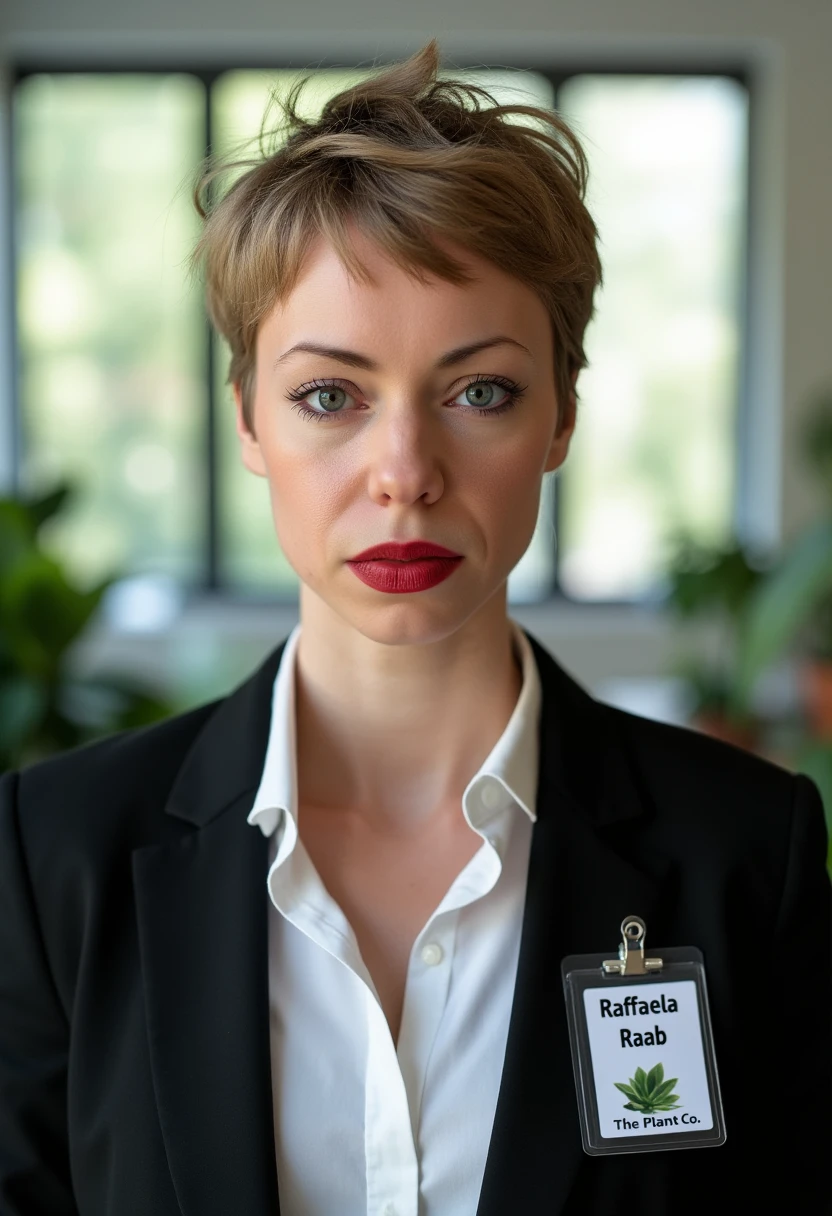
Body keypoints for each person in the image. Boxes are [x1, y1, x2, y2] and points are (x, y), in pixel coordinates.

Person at [0, 37, 829, 1216]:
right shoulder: (55, 858)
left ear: (559, 420)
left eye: (478, 390)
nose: (405, 472)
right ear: (246, 420)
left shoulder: (745, 854)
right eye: (329, 395)